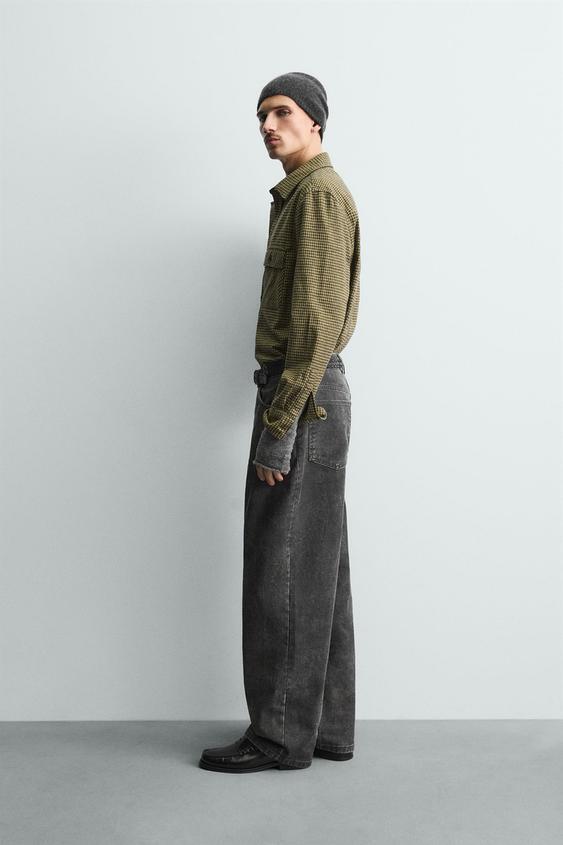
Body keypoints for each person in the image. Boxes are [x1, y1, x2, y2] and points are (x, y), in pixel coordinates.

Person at [199, 72, 361, 773]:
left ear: (315, 121)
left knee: (282, 571)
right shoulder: (303, 193)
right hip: (313, 394)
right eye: (261, 115)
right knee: (316, 567)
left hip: (303, 396)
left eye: (282, 112)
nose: (268, 125)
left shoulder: (316, 195)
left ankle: (278, 736)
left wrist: (279, 426)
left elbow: (316, 324)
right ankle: (323, 729)